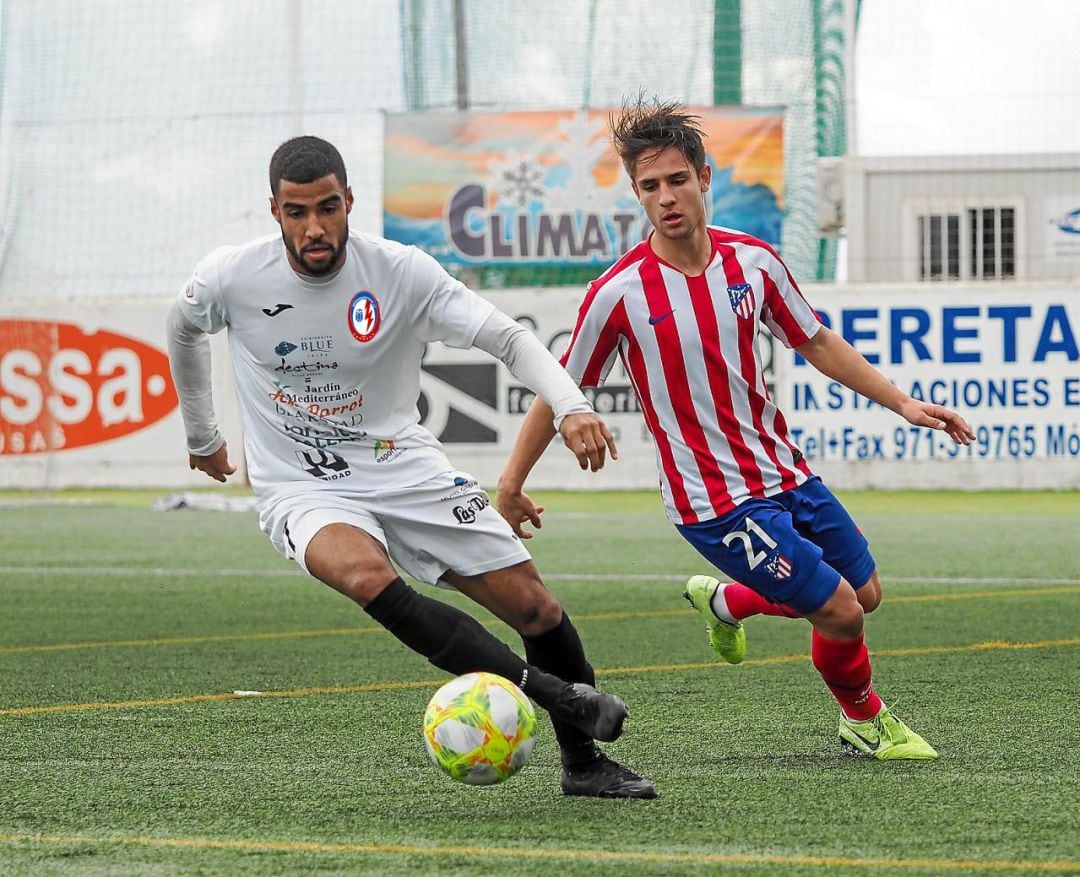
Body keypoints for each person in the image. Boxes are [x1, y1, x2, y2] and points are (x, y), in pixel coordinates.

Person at [165, 135, 656, 799]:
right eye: (297, 212)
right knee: (366, 573)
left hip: (403, 466)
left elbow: (506, 337)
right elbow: (183, 324)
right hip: (302, 482)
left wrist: (570, 406)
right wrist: (202, 432)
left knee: (535, 607)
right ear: (274, 211)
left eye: (329, 207)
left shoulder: (400, 272)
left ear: (349, 201)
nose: (315, 227)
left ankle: (584, 765)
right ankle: (558, 697)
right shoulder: (232, 276)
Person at [496, 97, 976, 761]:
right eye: (649, 186)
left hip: (787, 473)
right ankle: (865, 718)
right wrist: (511, 483)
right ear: (636, 193)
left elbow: (816, 341)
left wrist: (903, 403)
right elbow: (557, 391)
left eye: (677, 180)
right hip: (714, 502)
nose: (666, 198)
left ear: (704, 177)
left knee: (866, 592)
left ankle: (730, 603)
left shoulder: (755, 263)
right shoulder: (618, 294)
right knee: (841, 610)